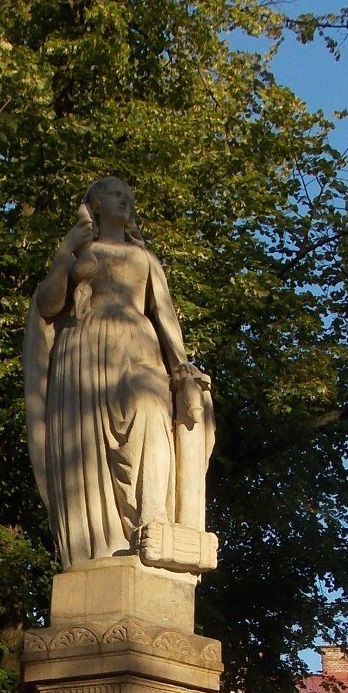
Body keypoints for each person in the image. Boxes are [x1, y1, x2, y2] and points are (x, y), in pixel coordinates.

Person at [23, 176, 212, 567]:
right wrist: (65, 252)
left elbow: (165, 315)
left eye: (128, 196)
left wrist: (182, 367)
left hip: (139, 343)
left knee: (152, 412)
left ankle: (152, 518)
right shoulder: (80, 252)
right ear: (94, 203)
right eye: (114, 194)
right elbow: (48, 303)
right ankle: (99, 547)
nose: (123, 200)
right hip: (85, 350)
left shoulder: (145, 258)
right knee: (88, 447)